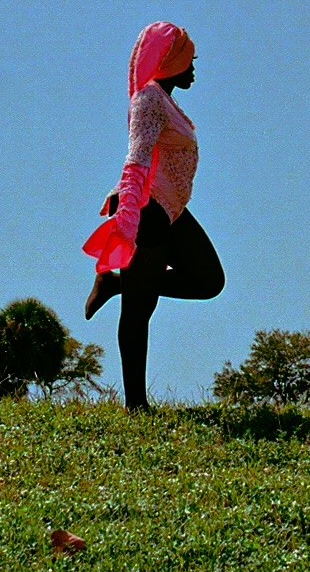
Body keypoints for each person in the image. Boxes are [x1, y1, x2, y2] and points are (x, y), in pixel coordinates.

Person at [82, 21, 225, 412]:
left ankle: (114, 284)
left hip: (171, 210)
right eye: (188, 60)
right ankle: (136, 405)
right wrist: (127, 216)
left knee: (209, 279)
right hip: (145, 208)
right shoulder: (148, 100)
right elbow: (137, 157)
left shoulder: (166, 102)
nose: (193, 67)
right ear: (170, 61)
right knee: (140, 309)